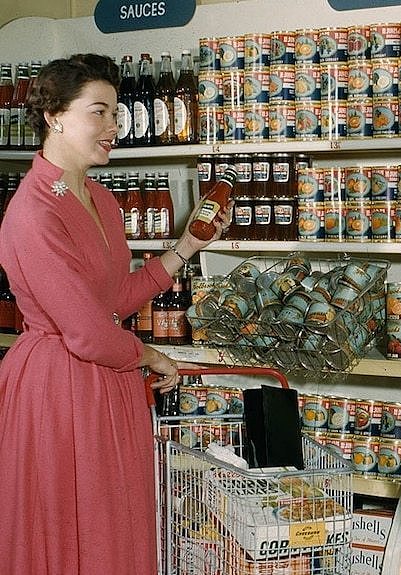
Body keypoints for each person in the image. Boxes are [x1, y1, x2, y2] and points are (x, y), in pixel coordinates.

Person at [0, 54, 230, 574]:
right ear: (54, 116)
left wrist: (187, 246)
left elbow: (111, 302)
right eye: (98, 112)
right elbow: (83, 331)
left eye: (117, 113)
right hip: (59, 387)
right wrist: (148, 353)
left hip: (107, 381)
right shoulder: (34, 209)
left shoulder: (101, 199)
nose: (114, 126)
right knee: (73, 527)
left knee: (113, 522)